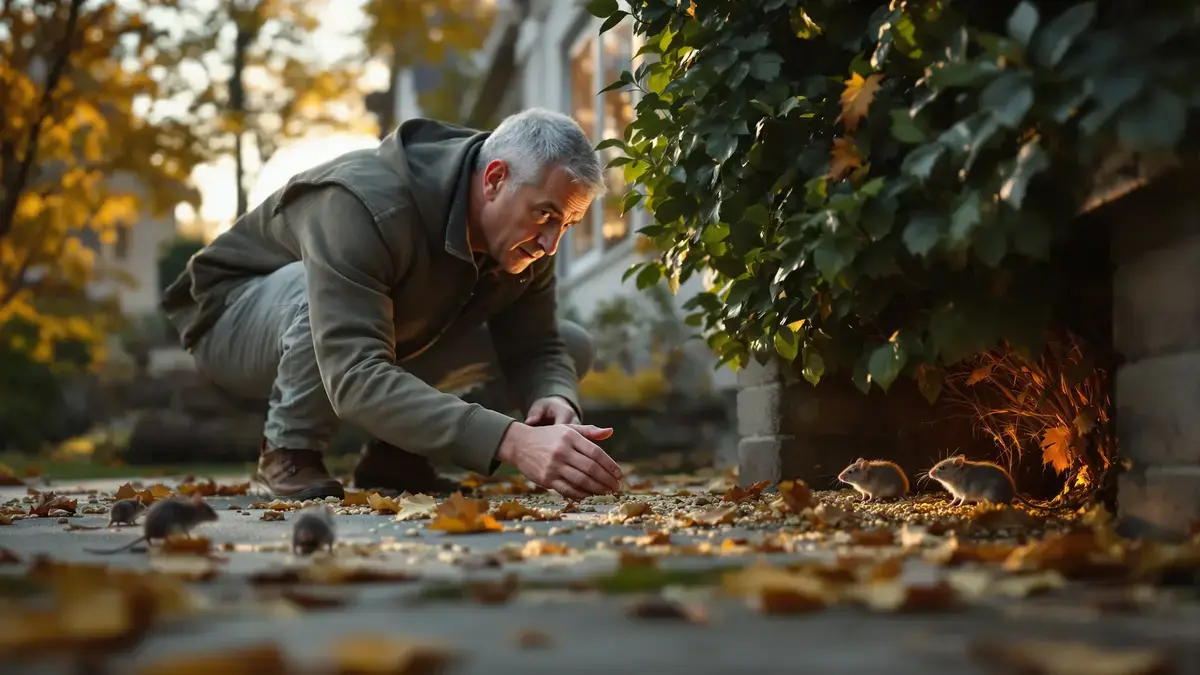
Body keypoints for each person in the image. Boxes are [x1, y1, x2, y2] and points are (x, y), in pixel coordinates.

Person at [161, 108, 624, 502]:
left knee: (571, 343)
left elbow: (537, 345)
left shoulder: (523, 243)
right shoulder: (360, 204)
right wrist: (511, 440)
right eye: (545, 214)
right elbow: (354, 373)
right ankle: (289, 448)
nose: (550, 242)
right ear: (495, 179)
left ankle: (397, 461)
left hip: (389, 331)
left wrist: (553, 398)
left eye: (567, 223)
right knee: (314, 287)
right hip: (231, 319)